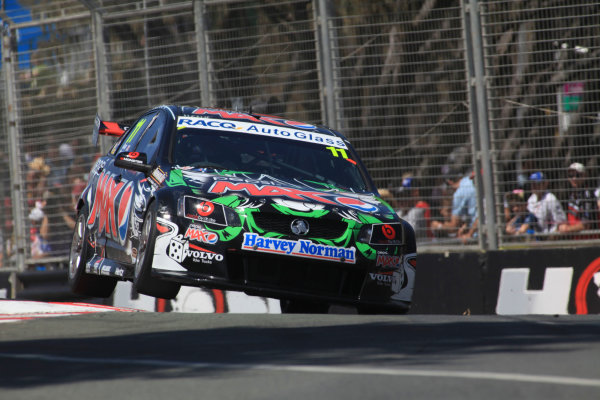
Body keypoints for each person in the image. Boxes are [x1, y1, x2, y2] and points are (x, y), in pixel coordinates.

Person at [431, 169, 478, 241]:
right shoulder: (469, 181)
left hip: (477, 235)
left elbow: (453, 227)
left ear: (449, 182)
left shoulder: (459, 193)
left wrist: (438, 226)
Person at [558, 163, 598, 236]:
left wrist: (567, 229)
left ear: (584, 176)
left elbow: (586, 224)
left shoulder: (587, 196)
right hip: (576, 239)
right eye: (571, 176)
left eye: (578, 175)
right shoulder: (572, 194)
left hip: (589, 241)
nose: (574, 178)